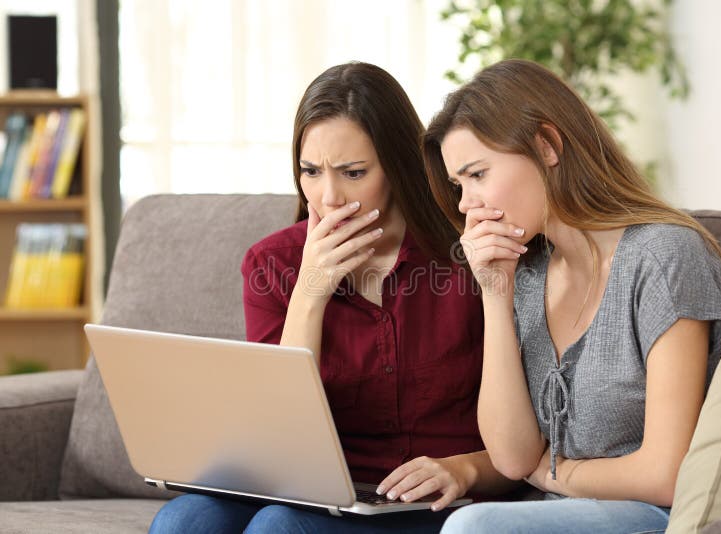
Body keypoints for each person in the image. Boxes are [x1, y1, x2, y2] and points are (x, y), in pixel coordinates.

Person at [149, 62, 514, 534]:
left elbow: (527, 436)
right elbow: (274, 435)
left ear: (398, 167)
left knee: (278, 528)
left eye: (353, 172)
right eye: (311, 171)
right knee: (185, 521)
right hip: (316, 490)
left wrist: (465, 467)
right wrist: (310, 292)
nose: (329, 196)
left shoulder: (468, 256)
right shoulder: (271, 264)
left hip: (430, 499)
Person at [421, 59, 721, 534]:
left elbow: (666, 475)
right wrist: (495, 292)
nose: (466, 204)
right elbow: (512, 458)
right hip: (559, 513)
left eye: (478, 174)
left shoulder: (664, 257)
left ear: (547, 146)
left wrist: (553, 472)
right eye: (459, 185)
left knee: (475, 527)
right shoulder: (529, 273)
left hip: (660, 516)